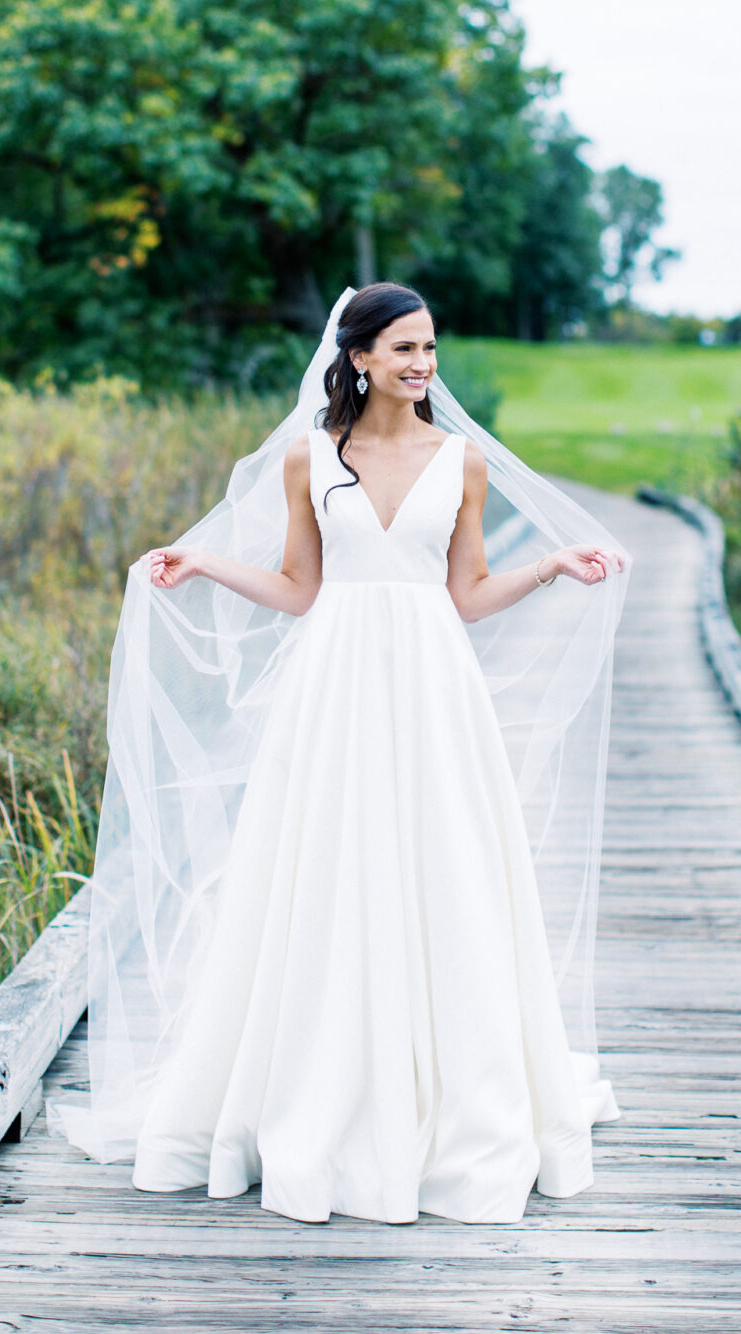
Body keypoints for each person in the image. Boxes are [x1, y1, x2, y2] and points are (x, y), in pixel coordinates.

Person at [47, 282, 632, 1226]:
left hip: (435, 692)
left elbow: (468, 595)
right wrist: (199, 564)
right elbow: (298, 586)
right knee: (324, 875)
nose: (422, 364)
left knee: (445, 870)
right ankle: (320, 1087)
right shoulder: (308, 458)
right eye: (403, 349)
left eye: (429, 348)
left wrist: (552, 566)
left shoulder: (462, 462)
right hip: (334, 691)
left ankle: (451, 1092)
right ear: (357, 357)